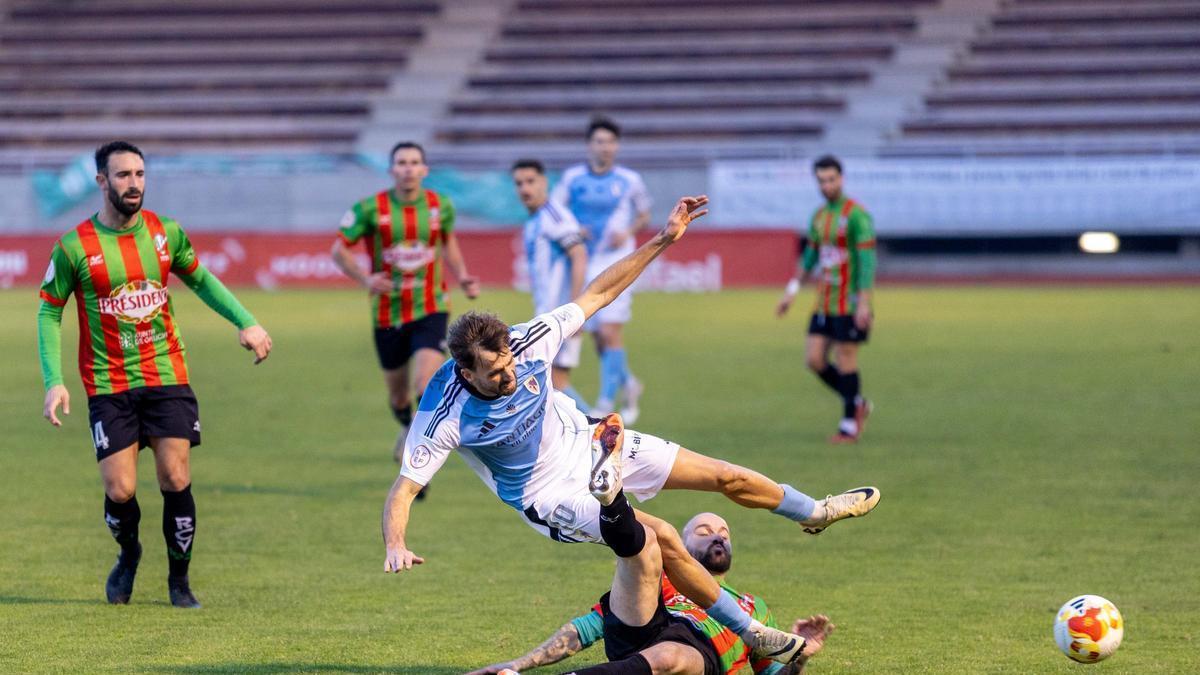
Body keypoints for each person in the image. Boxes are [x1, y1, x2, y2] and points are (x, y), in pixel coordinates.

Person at [382, 194, 880, 665]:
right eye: (495, 374)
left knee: (724, 475)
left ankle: (813, 511)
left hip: (594, 445)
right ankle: (750, 632)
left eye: (510, 363)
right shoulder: (443, 410)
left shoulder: (528, 340)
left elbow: (599, 291)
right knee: (658, 536)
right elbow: (405, 489)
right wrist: (396, 544)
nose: (510, 376)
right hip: (548, 493)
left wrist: (665, 237)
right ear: (467, 374)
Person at [38, 141, 273, 608]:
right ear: (102, 181)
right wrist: (54, 380)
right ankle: (129, 554)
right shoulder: (73, 247)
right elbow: (49, 313)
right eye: (123, 175)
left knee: (175, 476)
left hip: (166, 374)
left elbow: (201, 279)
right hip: (108, 383)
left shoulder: (166, 233)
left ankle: (179, 582)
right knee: (120, 489)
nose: (134, 184)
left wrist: (245, 320)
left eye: (140, 174)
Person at [469, 511, 835, 674]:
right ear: (685, 545)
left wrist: (801, 654)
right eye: (704, 530)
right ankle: (610, 502)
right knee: (645, 545)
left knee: (671, 655)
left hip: (697, 658)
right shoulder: (664, 580)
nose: (719, 535)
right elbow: (585, 629)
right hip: (640, 628)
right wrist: (515, 663)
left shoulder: (751, 608)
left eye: (724, 531)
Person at [331, 141, 480, 471]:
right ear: (392, 170)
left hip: (431, 306)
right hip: (387, 313)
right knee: (399, 398)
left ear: (424, 170)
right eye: (402, 162)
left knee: (425, 384)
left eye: (415, 162)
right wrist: (366, 278)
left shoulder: (440, 206)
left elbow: (448, 242)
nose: (409, 168)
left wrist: (464, 275)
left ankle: (419, 456)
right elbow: (338, 250)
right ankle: (406, 426)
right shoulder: (371, 209)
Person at [551, 116, 651, 423]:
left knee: (609, 330)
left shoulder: (630, 180)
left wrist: (629, 230)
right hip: (585, 262)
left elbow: (644, 214)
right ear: (589, 145)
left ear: (616, 146)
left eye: (609, 142)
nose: (604, 147)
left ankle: (606, 402)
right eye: (599, 141)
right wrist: (575, 227)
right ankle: (629, 384)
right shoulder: (572, 179)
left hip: (620, 261)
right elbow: (556, 211)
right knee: (597, 337)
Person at [777, 155, 877, 444]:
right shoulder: (819, 217)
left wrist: (865, 302)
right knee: (814, 359)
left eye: (831, 179)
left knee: (846, 358)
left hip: (850, 302)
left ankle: (849, 424)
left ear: (841, 179)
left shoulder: (857, 215)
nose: (826, 185)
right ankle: (857, 402)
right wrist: (791, 291)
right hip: (824, 302)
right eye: (821, 180)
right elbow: (810, 258)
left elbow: (867, 261)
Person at [513, 158, 590, 411]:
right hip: (548, 316)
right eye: (519, 183)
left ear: (544, 182)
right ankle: (600, 435)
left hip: (561, 316)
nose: (525, 188)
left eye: (530, 181)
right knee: (549, 385)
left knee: (553, 383)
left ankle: (607, 433)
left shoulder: (553, 215)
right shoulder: (534, 220)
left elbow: (578, 254)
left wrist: (577, 309)